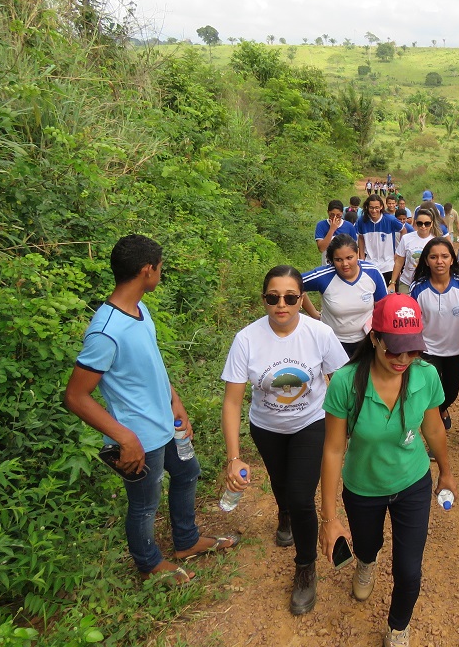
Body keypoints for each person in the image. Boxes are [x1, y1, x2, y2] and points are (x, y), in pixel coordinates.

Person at [63, 235, 238, 586]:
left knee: (187, 473)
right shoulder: (106, 331)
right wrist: (124, 438)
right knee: (144, 504)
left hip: (165, 423)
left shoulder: (141, 311)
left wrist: (175, 400)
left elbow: (151, 365)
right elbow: (76, 396)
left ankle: (186, 541)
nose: (160, 273)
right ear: (147, 270)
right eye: (159, 267)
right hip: (139, 437)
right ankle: (148, 564)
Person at [319, 294, 457, 647]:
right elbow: (333, 449)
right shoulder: (346, 382)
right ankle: (367, 562)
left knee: (409, 569)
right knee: (367, 546)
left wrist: (446, 471)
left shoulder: (425, 375)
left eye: (412, 350)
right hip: (363, 487)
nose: (403, 359)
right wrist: (329, 518)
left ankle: (398, 627)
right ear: (374, 338)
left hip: (412, 483)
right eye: (394, 349)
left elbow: (433, 429)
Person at [220, 265, 349, 614]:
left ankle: (305, 567)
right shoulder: (247, 339)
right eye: (273, 297)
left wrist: (347, 425)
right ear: (263, 299)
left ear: (301, 299)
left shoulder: (319, 333)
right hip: (266, 427)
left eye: (290, 298)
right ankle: (284, 516)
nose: (282, 304)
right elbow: (232, 402)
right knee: (280, 482)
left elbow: (341, 380)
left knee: (301, 496)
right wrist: (234, 457)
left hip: (311, 422)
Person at [409, 238, 459, 430]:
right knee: (430, 389)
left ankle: (442, 408)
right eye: (433, 257)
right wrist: (413, 350)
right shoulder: (417, 288)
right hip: (427, 349)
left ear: (452, 259)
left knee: (451, 392)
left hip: (455, 349)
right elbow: (413, 322)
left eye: (444, 256)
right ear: (426, 261)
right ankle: (433, 422)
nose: (439, 261)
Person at [302, 235, 389, 357]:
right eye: (338, 260)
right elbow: (294, 285)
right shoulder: (323, 276)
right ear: (332, 260)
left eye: (349, 258)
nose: (345, 264)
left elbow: (383, 308)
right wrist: (314, 314)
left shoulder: (372, 273)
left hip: (366, 341)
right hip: (332, 341)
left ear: (357, 253)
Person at [356, 193, 405, 287]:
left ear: (381, 207)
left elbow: (403, 230)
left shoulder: (390, 219)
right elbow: (361, 237)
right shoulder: (362, 221)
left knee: (390, 292)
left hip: (388, 264)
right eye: (371, 208)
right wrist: (362, 258)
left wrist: (399, 251)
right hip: (370, 263)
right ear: (367, 207)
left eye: (377, 207)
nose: (374, 210)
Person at [391, 207, 438, 294]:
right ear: (416, 222)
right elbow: (399, 262)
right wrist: (392, 282)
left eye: (427, 223)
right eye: (420, 223)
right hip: (406, 283)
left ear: (431, 224)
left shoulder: (435, 241)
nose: (423, 226)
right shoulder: (406, 238)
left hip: (427, 285)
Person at [315, 199, 358, 265]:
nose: (335, 218)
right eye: (332, 215)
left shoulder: (349, 226)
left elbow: (355, 248)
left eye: (338, 215)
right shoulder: (321, 225)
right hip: (327, 265)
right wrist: (332, 229)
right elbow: (321, 248)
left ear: (342, 213)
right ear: (328, 212)